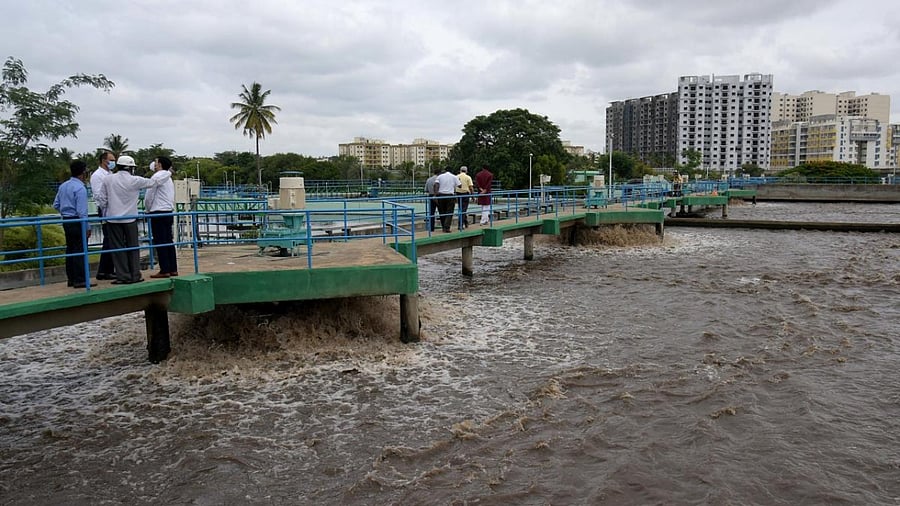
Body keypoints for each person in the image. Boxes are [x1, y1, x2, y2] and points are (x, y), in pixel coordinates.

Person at [94, 155, 171, 285]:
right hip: (130, 218)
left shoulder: (108, 179)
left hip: (113, 219)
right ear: (131, 168)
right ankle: (135, 274)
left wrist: (107, 211)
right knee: (133, 247)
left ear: (118, 166)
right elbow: (154, 182)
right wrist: (168, 171)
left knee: (117, 249)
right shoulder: (135, 180)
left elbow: (102, 199)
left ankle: (122, 276)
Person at [53, 160, 91, 288]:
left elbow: (56, 204)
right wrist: (87, 227)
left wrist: (66, 212)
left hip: (67, 220)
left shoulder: (63, 186)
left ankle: (71, 279)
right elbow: (82, 211)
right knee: (80, 250)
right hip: (77, 221)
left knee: (70, 250)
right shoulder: (80, 188)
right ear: (83, 172)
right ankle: (81, 279)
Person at [144, 156, 178, 278]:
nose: (155, 164)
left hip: (157, 212)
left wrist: (147, 209)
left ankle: (164, 269)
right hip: (168, 211)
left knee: (160, 241)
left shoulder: (156, 177)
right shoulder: (168, 178)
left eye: (157, 162)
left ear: (160, 165)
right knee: (168, 241)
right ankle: (173, 268)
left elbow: (149, 196)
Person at [90, 151, 116, 280]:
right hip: (106, 210)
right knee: (108, 240)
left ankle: (108, 269)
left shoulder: (110, 174)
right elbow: (98, 196)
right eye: (111, 160)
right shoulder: (97, 176)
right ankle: (104, 271)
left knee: (112, 241)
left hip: (113, 209)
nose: (113, 163)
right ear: (103, 161)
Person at [433, 166, 461, 233]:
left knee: (442, 212)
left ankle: (443, 227)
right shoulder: (454, 177)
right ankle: (447, 228)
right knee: (449, 212)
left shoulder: (440, 176)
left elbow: (435, 185)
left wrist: (435, 194)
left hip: (441, 196)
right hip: (450, 196)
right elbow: (460, 185)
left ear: (445, 170)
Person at [424, 166, 441, 232]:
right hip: (439, 196)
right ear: (439, 173)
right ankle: (444, 226)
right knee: (442, 211)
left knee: (431, 213)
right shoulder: (440, 179)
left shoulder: (429, 179)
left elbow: (426, 190)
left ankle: (431, 228)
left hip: (431, 196)